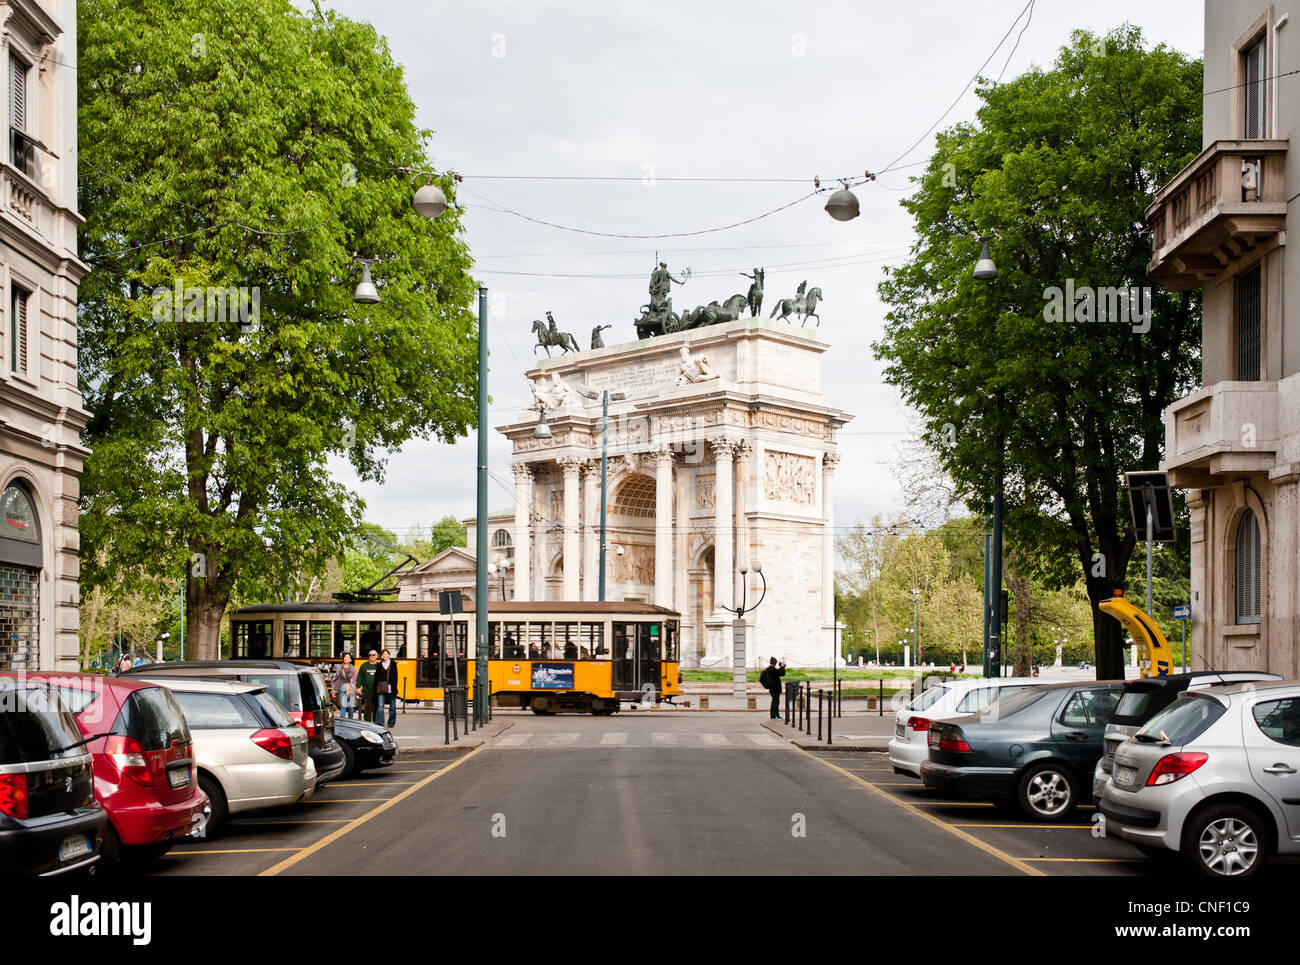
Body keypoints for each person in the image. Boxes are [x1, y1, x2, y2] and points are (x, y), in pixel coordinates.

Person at [375, 648, 399, 729]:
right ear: (381, 656)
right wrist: (376, 688)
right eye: (383, 654)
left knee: (392, 706)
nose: (385, 655)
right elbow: (376, 677)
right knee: (380, 705)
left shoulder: (393, 664)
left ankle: (391, 723)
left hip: (391, 688)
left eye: (386, 654)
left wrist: (395, 689)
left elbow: (396, 677)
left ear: (389, 655)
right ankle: (380, 722)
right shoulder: (379, 665)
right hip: (381, 688)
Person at [356, 650, 380, 722]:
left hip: (377, 690)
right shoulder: (364, 666)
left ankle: (376, 722)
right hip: (366, 689)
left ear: (376, 656)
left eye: (373, 655)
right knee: (367, 706)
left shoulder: (379, 666)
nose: (372, 656)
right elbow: (359, 677)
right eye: (370, 655)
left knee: (376, 706)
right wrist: (358, 687)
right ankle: (367, 722)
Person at [336, 653, 358, 719]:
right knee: (343, 705)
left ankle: (350, 720)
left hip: (350, 689)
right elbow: (336, 679)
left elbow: (355, 679)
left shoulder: (353, 668)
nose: (346, 658)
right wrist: (334, 690)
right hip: (342, 688)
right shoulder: (339, 667)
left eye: (348, 657)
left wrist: (355, 688)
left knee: (351, 707)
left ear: (350, 660)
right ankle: (342, 721)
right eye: (345, 657)